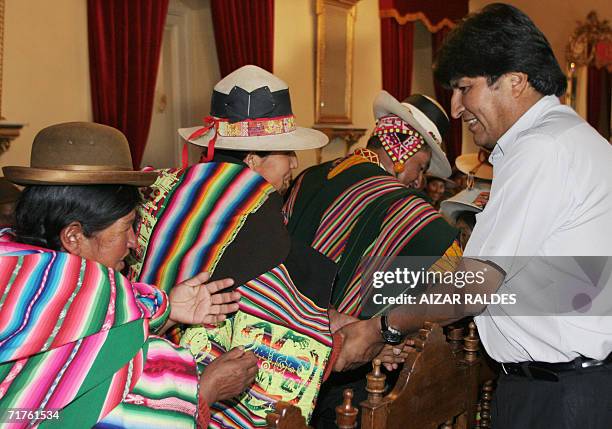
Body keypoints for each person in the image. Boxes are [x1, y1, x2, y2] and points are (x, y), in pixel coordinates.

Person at [336, 3, 612, 428]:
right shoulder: (570, 137)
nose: (456, 106)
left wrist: (380, 328)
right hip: (568, 386)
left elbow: (472, 286)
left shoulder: (542, 149)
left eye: (466, 87)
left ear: (515, 81)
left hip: (557, 396)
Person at [130, 65, 385, 428]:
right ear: (251, 162)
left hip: (144, 371)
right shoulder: (256, 212)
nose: (295, 164)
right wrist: (361, 335)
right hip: (193, 389)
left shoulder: (176, 188)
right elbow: (282, 311)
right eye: (286, 154)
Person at [0, 122, 258, 428]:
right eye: (126, 227)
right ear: (74, 236)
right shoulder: (97, 292)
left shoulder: (14, 266)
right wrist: (206, 390)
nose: (135, 243)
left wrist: (170, 310)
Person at [284, 91, 461, 427]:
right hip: (354, 371)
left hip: (286, 348)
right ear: (401, 147)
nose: (418, 181)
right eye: (420, 167)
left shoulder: (310, 176)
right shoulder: (407, 209)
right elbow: (453, 284)